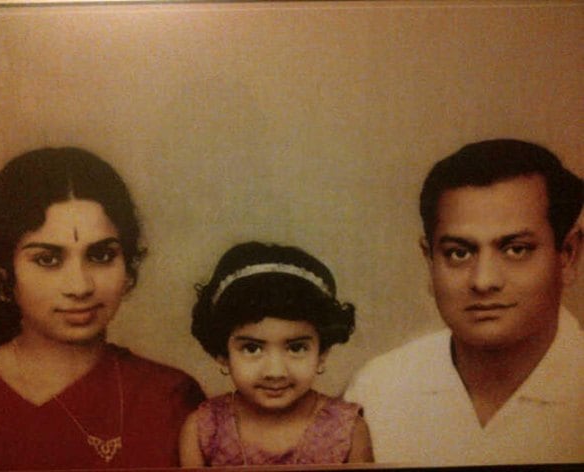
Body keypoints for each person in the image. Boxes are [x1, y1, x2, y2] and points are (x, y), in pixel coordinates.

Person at [0, 147, 205, 470]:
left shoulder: (171, 396)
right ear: (5, 274)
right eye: (48, 259)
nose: (80, 286)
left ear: (129, 268)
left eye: (101, 256)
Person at [345, 139, 583, 466]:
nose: (483, 281)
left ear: (568, 256)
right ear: (429, 260)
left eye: (516, 249)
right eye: (459, 253)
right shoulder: (377, 390)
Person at [179, 242, 373, 466]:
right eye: (252, 348)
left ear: (322, 353)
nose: (275, 371)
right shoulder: (202, 430)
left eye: (296, 348)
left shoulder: (349, 431)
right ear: (222, 354)